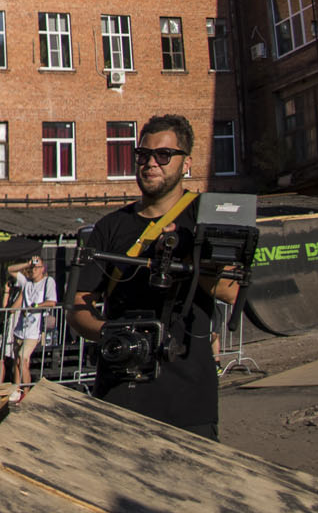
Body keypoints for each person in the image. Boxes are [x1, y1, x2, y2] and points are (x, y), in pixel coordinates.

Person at [71, 113, 239, 438]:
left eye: (163, 155)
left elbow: (231, 290)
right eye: (143, 155)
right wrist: (111, 334)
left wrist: (189, 254)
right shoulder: (110, 227)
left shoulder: (208, 217)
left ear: (186, 162)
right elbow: (79, 304)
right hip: (120, 390)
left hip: (188, 397)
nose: (151, 163)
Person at [0, 255, 57, 387]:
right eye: (32, 268)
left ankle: (26, 390)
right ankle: (17, 389)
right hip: (20, 329)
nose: (33, 270)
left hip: (34, 330)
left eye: (36, 267)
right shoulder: (26, 283)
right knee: (18, 361)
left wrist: (36, 306)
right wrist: (27, 264)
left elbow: (52, 302)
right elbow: (10, 270)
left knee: (23, 358)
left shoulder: (48, 281)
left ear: (42, 269)